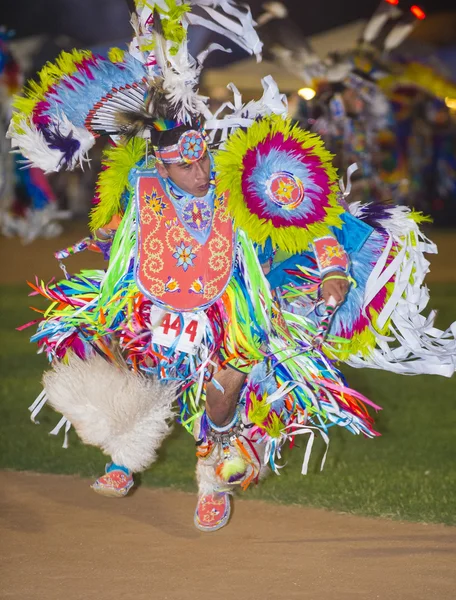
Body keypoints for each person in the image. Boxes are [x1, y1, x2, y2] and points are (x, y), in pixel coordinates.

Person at [10, 0, 456, 533]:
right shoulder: (140, 182)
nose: (201, 171)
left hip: (231, 308)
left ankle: (212, 483)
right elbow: (128, 228)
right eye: (187, 164)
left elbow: (315, 221)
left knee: (222, 395)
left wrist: (334, 270)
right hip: (157, 304)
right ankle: (125, 456)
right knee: (129, 371)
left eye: (203, 159)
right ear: (161, 164)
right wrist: (110, 235)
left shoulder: (245, 177)